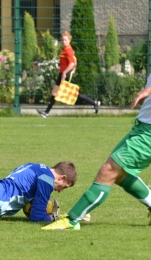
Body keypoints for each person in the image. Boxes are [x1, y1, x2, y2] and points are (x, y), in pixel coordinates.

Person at [41, 74, 151, 230]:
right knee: (120, 174)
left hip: (148, 133)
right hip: (143, 127)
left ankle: (73, 220)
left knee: (109, 171)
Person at [36, 30, 99, 118]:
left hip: (66, 74)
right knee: (56, 92)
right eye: (62, 40)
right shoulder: (66, 49)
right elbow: (75, 60)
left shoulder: (68, 50)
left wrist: (66, 72)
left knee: (71, 93)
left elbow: (72, 63)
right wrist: (72, 70)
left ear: (69, 40)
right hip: (63, 73)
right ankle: (46, 112)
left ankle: (46, 112)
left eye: (65, 40)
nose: (63, 41)